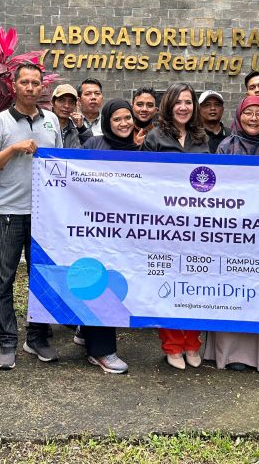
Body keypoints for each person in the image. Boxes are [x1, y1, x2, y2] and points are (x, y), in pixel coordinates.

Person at [0, 62, 63, 370]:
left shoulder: (52, 120)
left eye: (35, 83)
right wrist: (14, 148)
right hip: (8, 213)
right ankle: (7, 341)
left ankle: (37, 338)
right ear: (14, 86)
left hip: (45, 215)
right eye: (24, 82)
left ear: (42, 87)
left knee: (42, 280)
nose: (30, 87)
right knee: (3, 280)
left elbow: (61, 165)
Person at [206, 95, 259, 372]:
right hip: (231, 233)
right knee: (231, 289)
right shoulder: (225, 146)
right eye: (248, 113)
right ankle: (229, 355)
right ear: (239, 116)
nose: (253, 118)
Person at [78, 99, 147, 374]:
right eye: (117, 119)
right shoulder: (94, 144)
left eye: (127, 118)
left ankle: (87, 334)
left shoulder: (139, 147)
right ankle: (102, 351)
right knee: (100, 281)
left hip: (128, 231)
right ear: (107, 121)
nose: (124, 123)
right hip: (96, 227)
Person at [143, 83, 207, 369]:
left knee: (194, 282)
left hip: (198, 225)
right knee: (168, 283)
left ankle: (192, 342)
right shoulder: (155, 137)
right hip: (165, 224)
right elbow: (142, 180)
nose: (184, 107)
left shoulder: (201, 137)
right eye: (178, 102)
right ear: (168, 105)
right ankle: (172, 344)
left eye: (189, 102)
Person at [52, 84, 91, 148]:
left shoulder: (77, 129)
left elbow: (91, 149)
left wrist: (81, 128)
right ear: (53, 102)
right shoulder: (45, 124)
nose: (66, 106)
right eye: (61, 100)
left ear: (75, 105)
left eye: (71, 102)